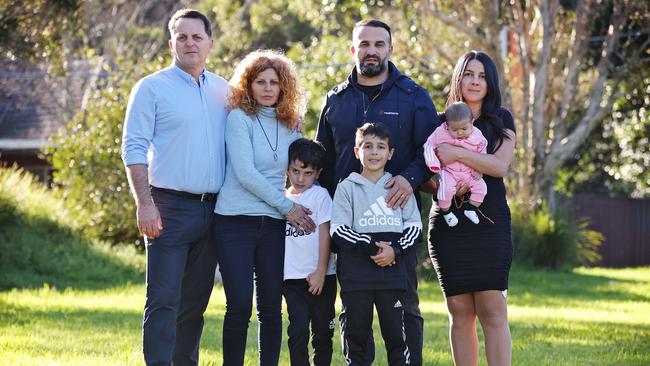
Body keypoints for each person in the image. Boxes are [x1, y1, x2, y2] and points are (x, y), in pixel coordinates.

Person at [315, 19, 438, 365]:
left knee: (404, 307)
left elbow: (432, 151)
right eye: (364, 44)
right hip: (348, 227)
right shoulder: (335, 100)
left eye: (379, 44)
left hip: (396, 221)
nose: (371, 51)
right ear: (353, 49)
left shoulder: (414, 96)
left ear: (390, 49)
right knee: (353, 308)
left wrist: (409, 179)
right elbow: (322, 158)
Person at [121, 8, 228, 366]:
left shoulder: (224, 90)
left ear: (210, 44)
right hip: (168, 208)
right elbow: (133, 147)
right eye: (182, 36)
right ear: (171, 43)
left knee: (195, 304)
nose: (190, 43)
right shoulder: (151, 88)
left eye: (197, 36)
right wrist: (144, 204)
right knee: (164, 300)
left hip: (214, 210)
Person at [213, 49, 313, 366]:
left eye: (274, 82)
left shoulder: (290, 125)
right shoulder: (238, 119)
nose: (268, 88)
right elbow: (245, 174)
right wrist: (288, 207)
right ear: (248, 85)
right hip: (234, 222)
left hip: (272, 224)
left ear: (284, 87)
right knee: (240, 305)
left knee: (271, 307)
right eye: (260, 82)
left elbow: (297, 171)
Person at [428, 50, 516, 366]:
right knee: (459, 310)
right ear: (458, 78)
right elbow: (428, 173)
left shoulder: (501, 119)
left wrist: (457, 154)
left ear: (490, 82)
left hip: (489, 222)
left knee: (493, 308)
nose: (474, 81)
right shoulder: (439, 122)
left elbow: (499, 166)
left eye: (481, 76)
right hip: (448, 226)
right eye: (469, 74)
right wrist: (440, 182)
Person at [331, 123, 422, 366]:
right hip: (356, 277)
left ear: (390, 153)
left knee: (397, 339)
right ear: (356, 151)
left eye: (381, 147)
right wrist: (370, 247)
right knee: (356, 337)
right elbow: (338, 229)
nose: (374, 152)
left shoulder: (399, 187)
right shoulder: (346, 188)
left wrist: (396, 250)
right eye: (367, 146)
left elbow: (414, 226)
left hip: (392, 278)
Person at [282, 138, 337, 366]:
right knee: (298, 331)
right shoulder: (282, 199)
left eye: (307, 173)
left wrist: (321, 271)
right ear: (287, 170)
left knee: (323, 333)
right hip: (292, 279)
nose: (300, 178)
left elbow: (326, 234)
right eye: (295, 171)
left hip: (321, 277)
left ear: (318, 173)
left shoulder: (320, 195)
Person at [424, 101, 488, 227]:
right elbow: (428, 145)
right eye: (454, 129)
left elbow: (482, 148)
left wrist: (479, 169)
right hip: (449, 172)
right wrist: (434, 164)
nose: (460, 132)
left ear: (472, 123)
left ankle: (471, 209)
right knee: (445, 190)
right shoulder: (440, 133)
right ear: (447, 126)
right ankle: (446, 212)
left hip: (469, 172)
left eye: (464, 128)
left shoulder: (477, 135)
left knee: (481, 188)